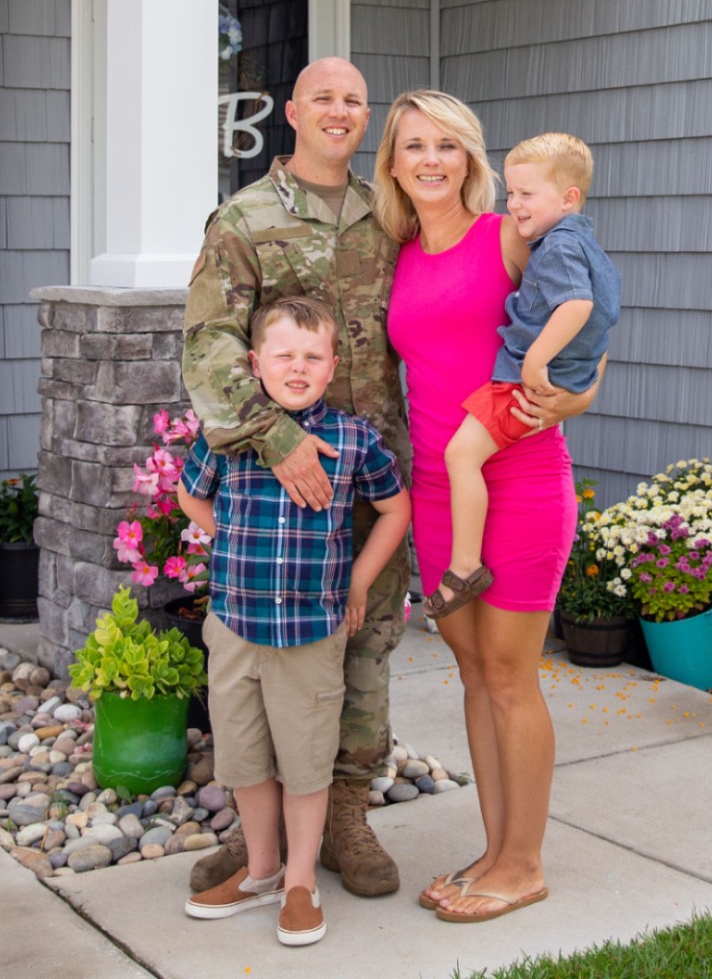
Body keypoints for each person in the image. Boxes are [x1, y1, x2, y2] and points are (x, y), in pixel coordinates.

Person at [182, 57, 412, 900]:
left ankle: (345, 816)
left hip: (371, 470)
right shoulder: (243, 217)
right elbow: (207, 344)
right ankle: (260, 838)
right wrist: (276, 440)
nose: (341, 111)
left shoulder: (389, 217)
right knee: (262, 655)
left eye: (355, 99)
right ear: (292, 112)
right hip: (275, 484)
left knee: (366, 640)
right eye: (324, 97)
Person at [374, 90, 605, 922]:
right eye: (413, 146)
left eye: (446, 145)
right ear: (393, 163)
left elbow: (592, 329)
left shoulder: (508, 234)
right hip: (440, 495)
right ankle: (495, 847)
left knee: (510, 678)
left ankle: (524, 863)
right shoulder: (394, 252)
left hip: (518, 483)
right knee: (472, 676)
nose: (430, 159)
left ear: (469, 157)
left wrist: (570, 401)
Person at [179, 298, 411, 945]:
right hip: (232, 622)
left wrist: (358, 581)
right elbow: (187, 493)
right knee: (245, 758)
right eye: (284, 355)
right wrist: (225, 538)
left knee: (307, 764)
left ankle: (301, 882)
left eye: (313, 357)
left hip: (311, 629)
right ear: (255, 364)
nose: (298, 367)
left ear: (333, 364)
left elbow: (395, 509)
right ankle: (260, 870)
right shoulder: (226, 434)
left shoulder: (353, 438)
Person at [424, 132, 621, 618]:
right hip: (557, 380)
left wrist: (535, 361)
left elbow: (576, 305)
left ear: (569, 197)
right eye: (510, 193)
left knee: (460, 455)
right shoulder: (589, 247)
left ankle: (466, 566)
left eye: (526, 194)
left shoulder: (556, 250)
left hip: (522, 383)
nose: (514, 204)